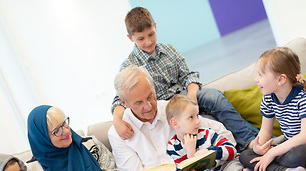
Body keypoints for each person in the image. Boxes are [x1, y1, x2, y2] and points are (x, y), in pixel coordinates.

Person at [108, 64, 238, 171]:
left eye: (150, 96)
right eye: (138, 103)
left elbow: (223, 134)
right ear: (124, 103)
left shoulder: (172, 109)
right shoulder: (118, 132)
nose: (148, 106)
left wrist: (208, 153)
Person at [111, 6, 258, 151]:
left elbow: (189, 75)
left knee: (215, 97)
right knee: (208, 122)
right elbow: (119, 100)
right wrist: (117, 121)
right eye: (141, 38)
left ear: (155, 27)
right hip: (168, 107)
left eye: (151, 34)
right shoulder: (129, 66)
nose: (148, 42)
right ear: (130, 38)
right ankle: (244, 149)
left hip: (184, 95)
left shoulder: (168, 49)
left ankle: (252, 140)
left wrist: (192, 96)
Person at [240, 47, 306, 171]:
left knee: (299, 154)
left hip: (301, 145)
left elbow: (304, 136)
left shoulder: (302, 98)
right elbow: (265, 130)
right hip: (287, 143)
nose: (256, 79)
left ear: (281, 79)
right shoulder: (269, 98)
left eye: (261, 75)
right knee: (245, 156)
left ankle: (262, 169)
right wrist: (259, 146)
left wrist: (272, 153)